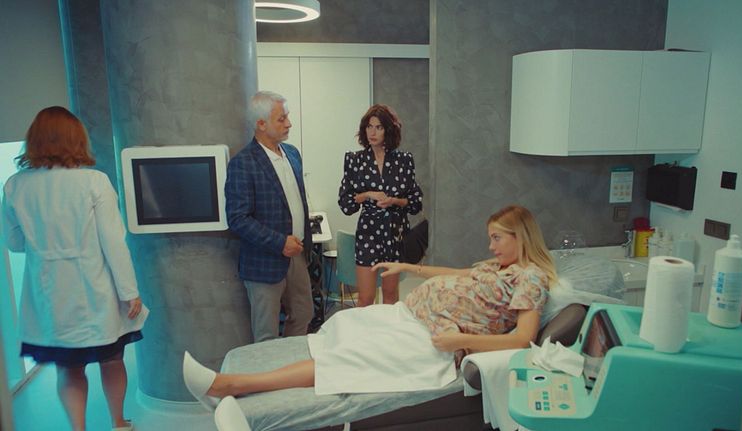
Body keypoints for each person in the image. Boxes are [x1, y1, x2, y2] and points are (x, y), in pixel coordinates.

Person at [182, 205, 557, 407]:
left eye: (497, 239)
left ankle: (232, 385)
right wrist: (409, 267)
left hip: (434, 341)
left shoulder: (531, 278)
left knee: (347, 357)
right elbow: (458, 273)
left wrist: (461, 340)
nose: (491, 246)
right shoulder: (499, 266)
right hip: (411, 317)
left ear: (520, 237)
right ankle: (240, 380)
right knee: (346, 325)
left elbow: (522, 339)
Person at [1, 106, 146, 431]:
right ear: (76, 139)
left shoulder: (15, 185)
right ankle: (118, 423)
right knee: (111, 358)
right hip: (95, 288)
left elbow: (15, 243)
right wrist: (130, 291)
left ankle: (77, 428)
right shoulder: (93, 181)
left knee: (69, 367)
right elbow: (113, 242)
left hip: (49, 293)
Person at [225, 91, 313, 343]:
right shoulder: (243, 163)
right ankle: (272, 370)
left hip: (297, 255)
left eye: (287, 117)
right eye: (281, 119)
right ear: (261, 124)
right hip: (263, 262)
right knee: (266, 334)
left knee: (304, 315)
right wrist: (280, 242)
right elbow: (238, 218)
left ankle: (291, 364)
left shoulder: (292, 154)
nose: (289, 124)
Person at [337, 104, 423, 306]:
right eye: (369, 127)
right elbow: (346, 203)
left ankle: (389, 328)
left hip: (396, 232)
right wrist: (367, 194)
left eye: (378, 127)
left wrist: (394, 201)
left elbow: (415, 202)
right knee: (365, 297)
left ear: (388, 130)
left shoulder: (404, 160)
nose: (372, 132)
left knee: (390, 296)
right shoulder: (355, 160)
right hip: (368, 232)